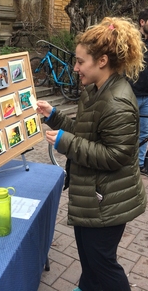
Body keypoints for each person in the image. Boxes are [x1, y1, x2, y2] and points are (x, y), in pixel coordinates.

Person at [36, 17, 147, 291]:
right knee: (88, 256)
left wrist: (66, 143)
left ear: (102, 61)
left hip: (108, 200)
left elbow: (116, 155)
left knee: (103, 263)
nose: (75, 68)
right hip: (92, 195)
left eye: (80, 61)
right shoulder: (95, 90)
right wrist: (55, 117)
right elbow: (85, 131)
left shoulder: (117, 101)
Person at [128, 8, 148, 175]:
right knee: (126, 131)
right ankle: (125, 163)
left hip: (147, 98)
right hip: (131, 94)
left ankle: (139, 165)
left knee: (144, 134)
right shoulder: (133, 42)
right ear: (143, 22)